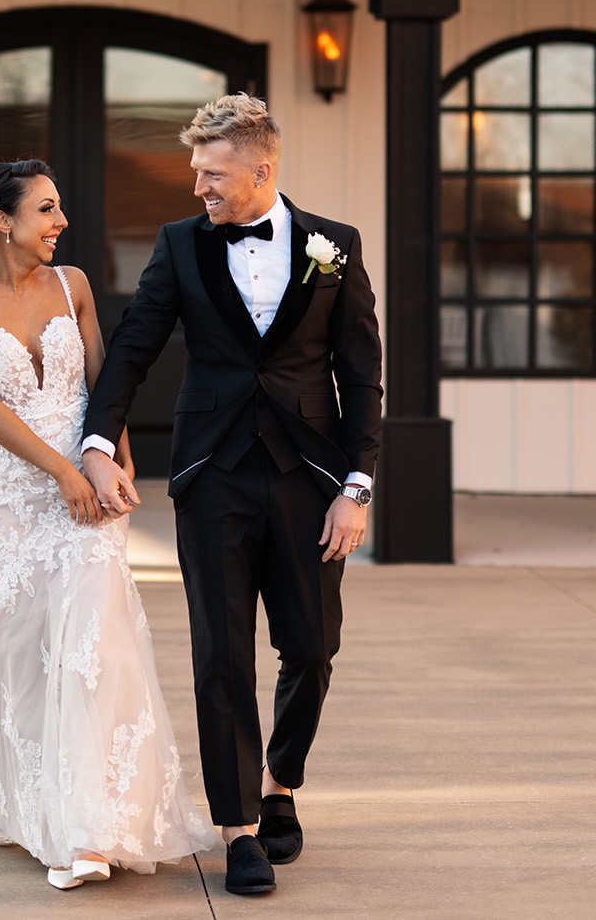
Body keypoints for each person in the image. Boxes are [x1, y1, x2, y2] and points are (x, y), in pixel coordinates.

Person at [0, 159, 216, 890]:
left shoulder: (76, 287)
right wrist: (60, 473)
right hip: (15, 494)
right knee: (25, 642)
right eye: (46, 209)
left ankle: (89, 832)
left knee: (93, 648)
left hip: (88, 489)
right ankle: (30, 797)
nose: (61, 222)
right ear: (0, 219)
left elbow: (106, 386)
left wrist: (111, 466)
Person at [78, 94, 382, 898]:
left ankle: (283, 779)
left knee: (312, 648)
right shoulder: (180, 247)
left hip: (312, 480)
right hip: (211, 473)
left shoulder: (335, 247)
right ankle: (239, 825)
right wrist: (99, 441)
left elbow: (361, 378)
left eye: (212, 174)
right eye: (195, 171)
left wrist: (357, 487)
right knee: (221, 652)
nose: (197, 188)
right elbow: (135, 345)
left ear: (261, 169)